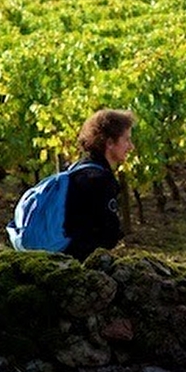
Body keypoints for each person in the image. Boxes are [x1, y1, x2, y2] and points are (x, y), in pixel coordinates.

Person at [63, 108, 134, 261]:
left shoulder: (76, 169)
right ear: (109, 143)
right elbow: (108, 234)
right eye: (126, 140)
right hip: (79, 263)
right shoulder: (101, 181)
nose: (131, 146)